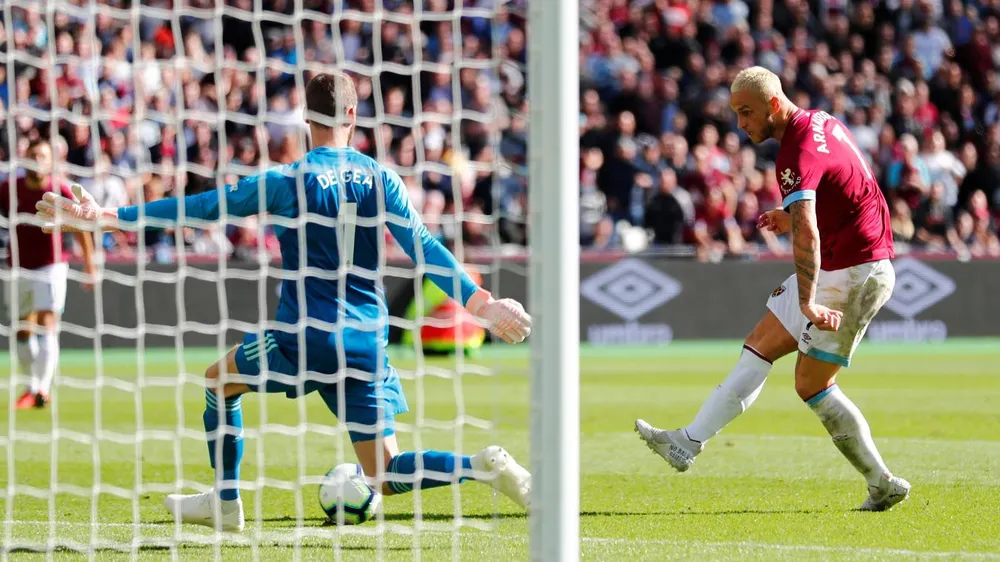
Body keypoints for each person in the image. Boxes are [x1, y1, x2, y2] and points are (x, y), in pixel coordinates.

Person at [36, 72, 533, 532]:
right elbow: (426, 249)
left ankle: (226, 503)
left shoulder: (286, 180)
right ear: (354, 119)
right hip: (366, 342)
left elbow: (202, 208)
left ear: (306, 118)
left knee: (220, 381)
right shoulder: (382, 179)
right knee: (382, 473)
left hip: (306, 337)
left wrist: (107, 216)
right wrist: (483, 304)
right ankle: (481, 467)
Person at [635, 66, 910, 512]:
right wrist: (790, 218)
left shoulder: (794, 154)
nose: (741, 125)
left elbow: (808, 235)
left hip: (858, 270)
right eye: (736, 114)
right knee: (760, 343)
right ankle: (687, 442)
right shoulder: (822, 121)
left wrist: (808, 300)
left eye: (747, 114)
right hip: (848, 258)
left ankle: (882, 482)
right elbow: (850, 186)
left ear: (775, 106)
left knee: (811, 384)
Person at [2, 138, 95, 409]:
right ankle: (32, 386)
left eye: (43, 156)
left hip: (51, 265)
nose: (38, 160)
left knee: (48, 323)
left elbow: (80, 227)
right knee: (22, 330)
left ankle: (41, 389)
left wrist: (90, 265)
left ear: (51, 161)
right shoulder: (9, 189)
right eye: (33, 155)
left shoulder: (59, 190)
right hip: (18, 266)